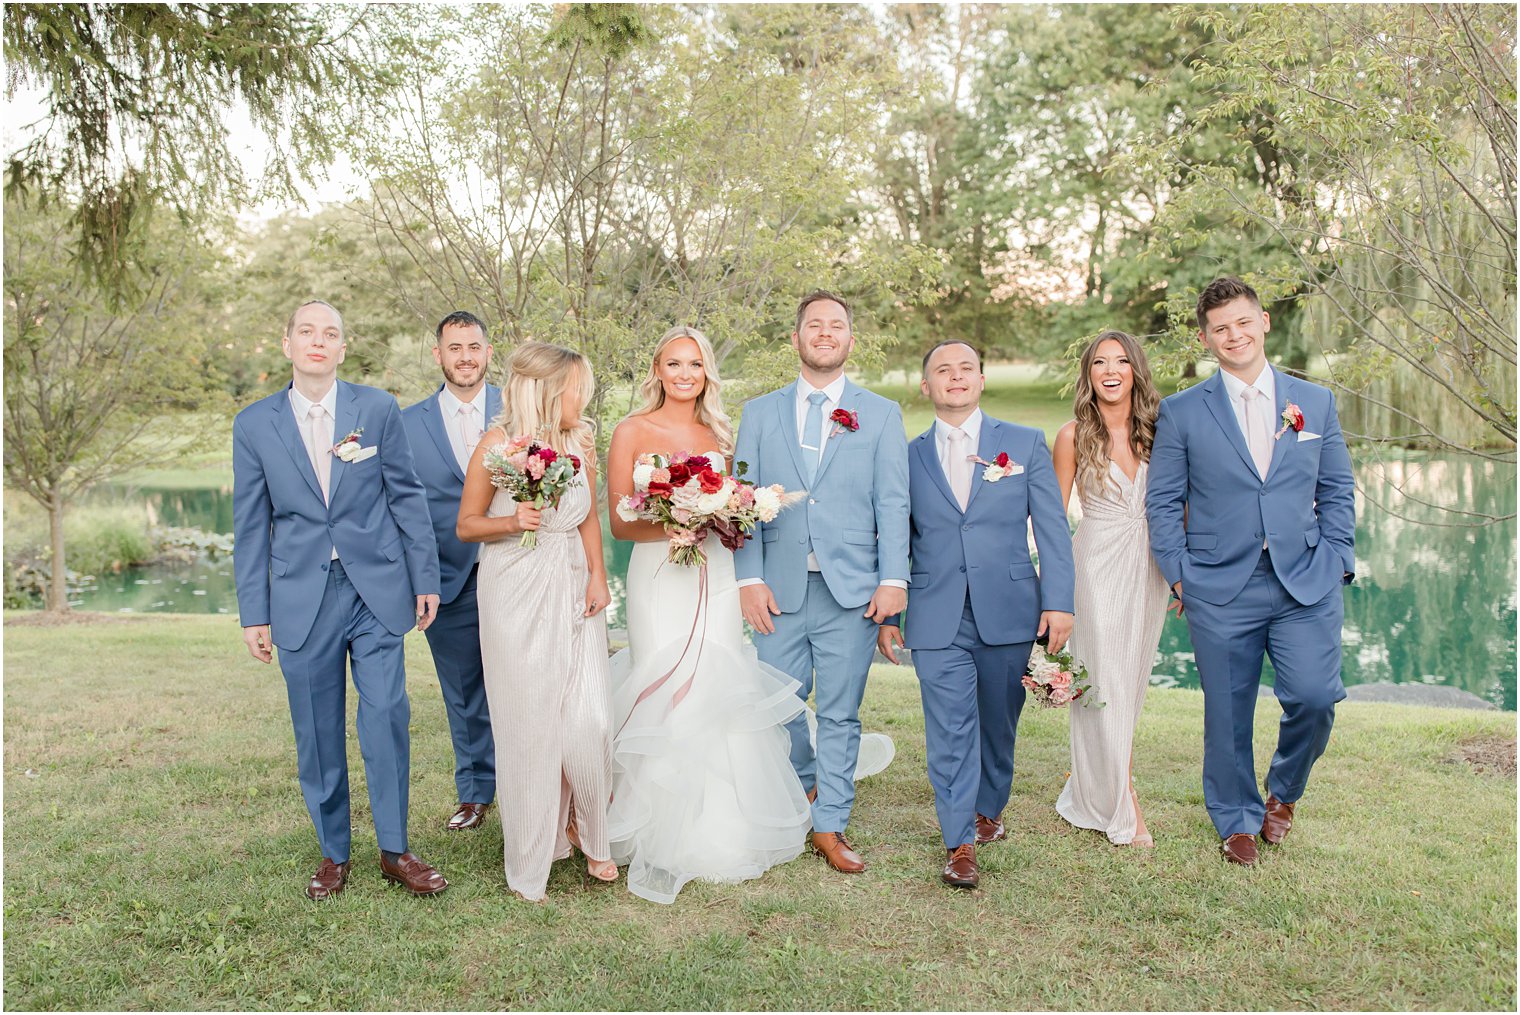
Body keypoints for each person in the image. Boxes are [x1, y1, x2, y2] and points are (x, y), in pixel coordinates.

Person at [232, 299, 448, 900]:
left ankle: (396, 849)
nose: (318, 342)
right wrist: (256, 612)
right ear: (288, 344)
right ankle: (333, 854)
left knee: (386, 714)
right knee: (317, 730)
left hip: (376, 588)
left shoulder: (375, 409)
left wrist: (423, 577)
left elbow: (407, 497)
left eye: (330, 333)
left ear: (343, 349)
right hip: (299, 596)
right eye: (307, 331)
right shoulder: (253, 424)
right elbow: (250, 525)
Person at [1146, 276, 1356, 867]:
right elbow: (1162, 501)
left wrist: (1338, 557)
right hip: (1218, 582)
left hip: (1306, 578)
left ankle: (1283, 794)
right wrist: (1180, 574)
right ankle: (1235, 819)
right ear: (1207, 338)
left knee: (1315, 698)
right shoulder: (1182, 412)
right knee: (1228, 711)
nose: (1233, 335)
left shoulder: (1313, 403)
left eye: (1242, 322)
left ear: (1263, 322)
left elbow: (1337, 487)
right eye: (1220, 328)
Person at [604, 326, 817, 903]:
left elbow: (738, 506)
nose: (684, 373)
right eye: (673, 363)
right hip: (657, 572)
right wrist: (675, 519)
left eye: (694, 364)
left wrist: (724, 513)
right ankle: (652, 826)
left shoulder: (720, 432)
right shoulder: (631, 430)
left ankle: (722, 829)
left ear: (706, 373)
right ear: (657, 371)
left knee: (718, 680)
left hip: (714, 571)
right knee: (662, 680)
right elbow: (622, 521)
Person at [877, 340, 1075, 889]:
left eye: (966, 369)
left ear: (981, 380)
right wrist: (888, 615)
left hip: (1010, 610)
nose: (955, 377)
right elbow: (893, 535)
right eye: (943, 370)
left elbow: (1053, 530)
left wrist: (1059, 602)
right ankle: (959, 840)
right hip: (937, 613)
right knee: (948, 728)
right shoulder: (905, 455)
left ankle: (989, 810)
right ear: (926, 386)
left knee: (998, 722)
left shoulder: (1024, 443)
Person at [733, 291, 910, 874]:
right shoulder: (759, 413)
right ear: (797, 338)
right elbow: (741, 500)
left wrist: (893, 580)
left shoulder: (880, 413)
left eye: (837, 325)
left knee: (839, 710)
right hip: (778, 590)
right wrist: (749, 579)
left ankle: (831, 822)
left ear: (850, 340)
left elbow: (892, 501)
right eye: (815, 325)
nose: (826, 333)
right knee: (777, 705)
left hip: (852, 591)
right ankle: (807, 782)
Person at [457, 340, 616, 900]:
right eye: (576, 388)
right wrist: (510, 521)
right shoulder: (496, 445)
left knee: (589, 719)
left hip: (573, 585)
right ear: (547, 390)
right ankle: (532, 852)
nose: (583, 398)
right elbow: (467, 525)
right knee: (528, 724)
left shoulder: (581, 443)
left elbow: (589, 517)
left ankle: (594, 831)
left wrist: (598, 575)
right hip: (515, 591)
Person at [1051, 330, 1171, 847]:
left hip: (1150, 568)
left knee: (1133, 680)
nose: (1110, 369)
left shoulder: (1161, 432)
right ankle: (1124, 805)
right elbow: (1054, 522)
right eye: (1099, 362)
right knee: (1104, 685)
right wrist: (1052, 595)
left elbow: (1181, 505)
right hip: (1095, 568)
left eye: (1121, 360)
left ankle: (1093, 785)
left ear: (1135, 369)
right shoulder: (1072, 435)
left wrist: (1185, 573)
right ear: (1089, 374)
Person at [401, 311, 501, 832]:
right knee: (462, 691)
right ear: (438, 355)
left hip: (518, 571)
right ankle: (476, 792)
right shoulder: (405, 422)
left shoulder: (523, 409)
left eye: (473, 346)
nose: (464, 356)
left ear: (488, 352)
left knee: (526, 683)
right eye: (454, 347)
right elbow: (400, 506)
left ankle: (536, 783)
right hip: (446, 578)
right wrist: (419, 580)